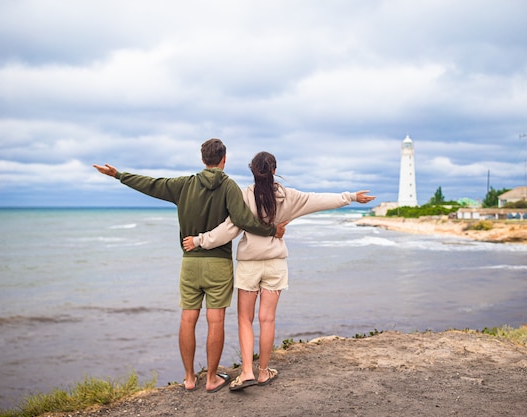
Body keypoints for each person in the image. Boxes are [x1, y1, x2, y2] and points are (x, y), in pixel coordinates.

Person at [93, 139, 286, 393]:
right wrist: (272, 230)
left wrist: (119, 175)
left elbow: (150, 185)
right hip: (218, 263)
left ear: (203, 159)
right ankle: (212, 379)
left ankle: (189, 378)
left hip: (190, 262)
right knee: (215, 320)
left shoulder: (183, 185)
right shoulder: (229, 186)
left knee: (188, 317)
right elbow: (241, 220)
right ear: (224, 159)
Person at [182, 151, 375, 391]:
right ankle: (263, 372)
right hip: (275, 265)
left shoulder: (244, 197)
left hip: (249, 266)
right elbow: (319, 200)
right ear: (274, 170)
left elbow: (228, 230)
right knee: (267, 319)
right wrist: (351, 197)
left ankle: (246, 372)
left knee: (245, 319)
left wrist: (200, 241)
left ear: (253, 171)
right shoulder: (289, 197)